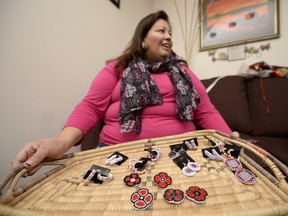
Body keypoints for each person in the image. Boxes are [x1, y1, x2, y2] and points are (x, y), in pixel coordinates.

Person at [12, 10, 238, 175]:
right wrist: (62, 142)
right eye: (161, 30)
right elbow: (91, 107)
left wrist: (230, 139)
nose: (169, 36)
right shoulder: (117, 68)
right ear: (142, 39)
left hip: (183, 156)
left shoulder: (184, 72)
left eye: (170, 32)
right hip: (117, 154)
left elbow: (206, 111)